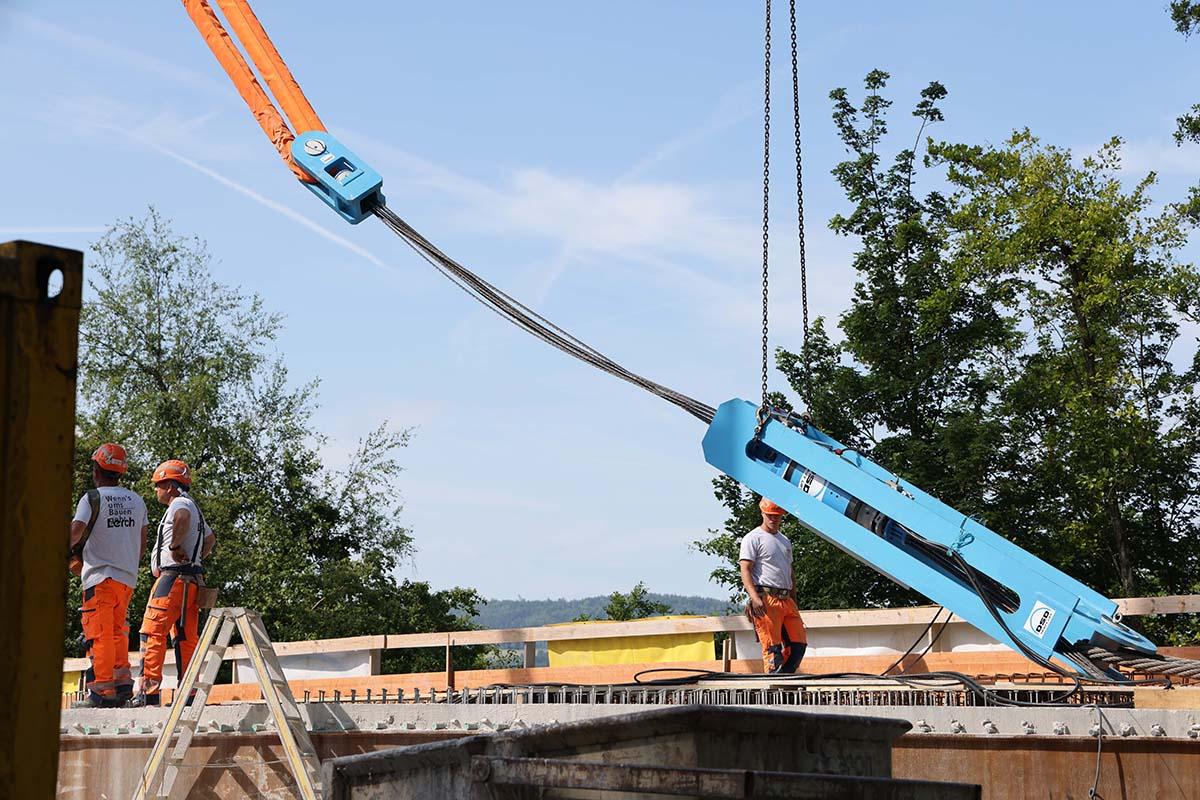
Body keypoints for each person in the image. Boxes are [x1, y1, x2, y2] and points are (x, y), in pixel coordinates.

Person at [131, 459, 216, 707]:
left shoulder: (179, 504)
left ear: (170, 485)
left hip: (170, 580)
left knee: (152, 632)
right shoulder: (195, 507)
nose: (156, 489)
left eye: (158, 485)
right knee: (186, 638)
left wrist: (176, 546)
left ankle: (148, 692)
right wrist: (194, 557)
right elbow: (210, 539)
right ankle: (188, 695)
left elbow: (180, 518)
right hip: (191, 581)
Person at [68, 443, 148, 708]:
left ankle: (102, 693)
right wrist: (126, 562)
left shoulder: (92, 498)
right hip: (126, 579)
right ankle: (122, 686)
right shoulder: (137, 500)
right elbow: (142, 542)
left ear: (96, 470)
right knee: (117, 633)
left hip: (100, 578)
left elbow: (77, 530)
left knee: (99, 634)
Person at [739, 497, 807, 673]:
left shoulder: (784, 541)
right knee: (772, 650)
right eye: (769, 515)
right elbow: (745, 570)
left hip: (786, 600)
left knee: (798, 646)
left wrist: (794, 601)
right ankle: (775, 689)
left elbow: (790, 573)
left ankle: (785, 681)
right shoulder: (753, 538)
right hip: (767, 600)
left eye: (776, 515)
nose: (773, 518)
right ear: (762, 513)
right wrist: (754, 598)